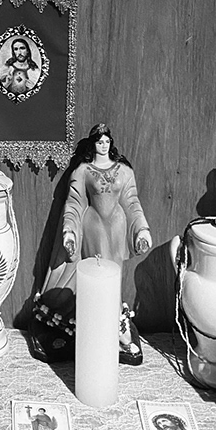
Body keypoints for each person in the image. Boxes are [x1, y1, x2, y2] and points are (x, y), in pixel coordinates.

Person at [36, 123, 152, 363]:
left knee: (114, 275)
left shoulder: (124, 170)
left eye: (107, 141)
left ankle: (115, 325)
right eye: (99, 141)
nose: (103, 145)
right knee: (96, 276)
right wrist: (69, 231)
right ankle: (101, 325)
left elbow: (132, 202)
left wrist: (142, 229)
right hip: (93, 228)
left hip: (117, 228)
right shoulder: (83, 170)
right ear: (93, 144)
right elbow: (74, 202)